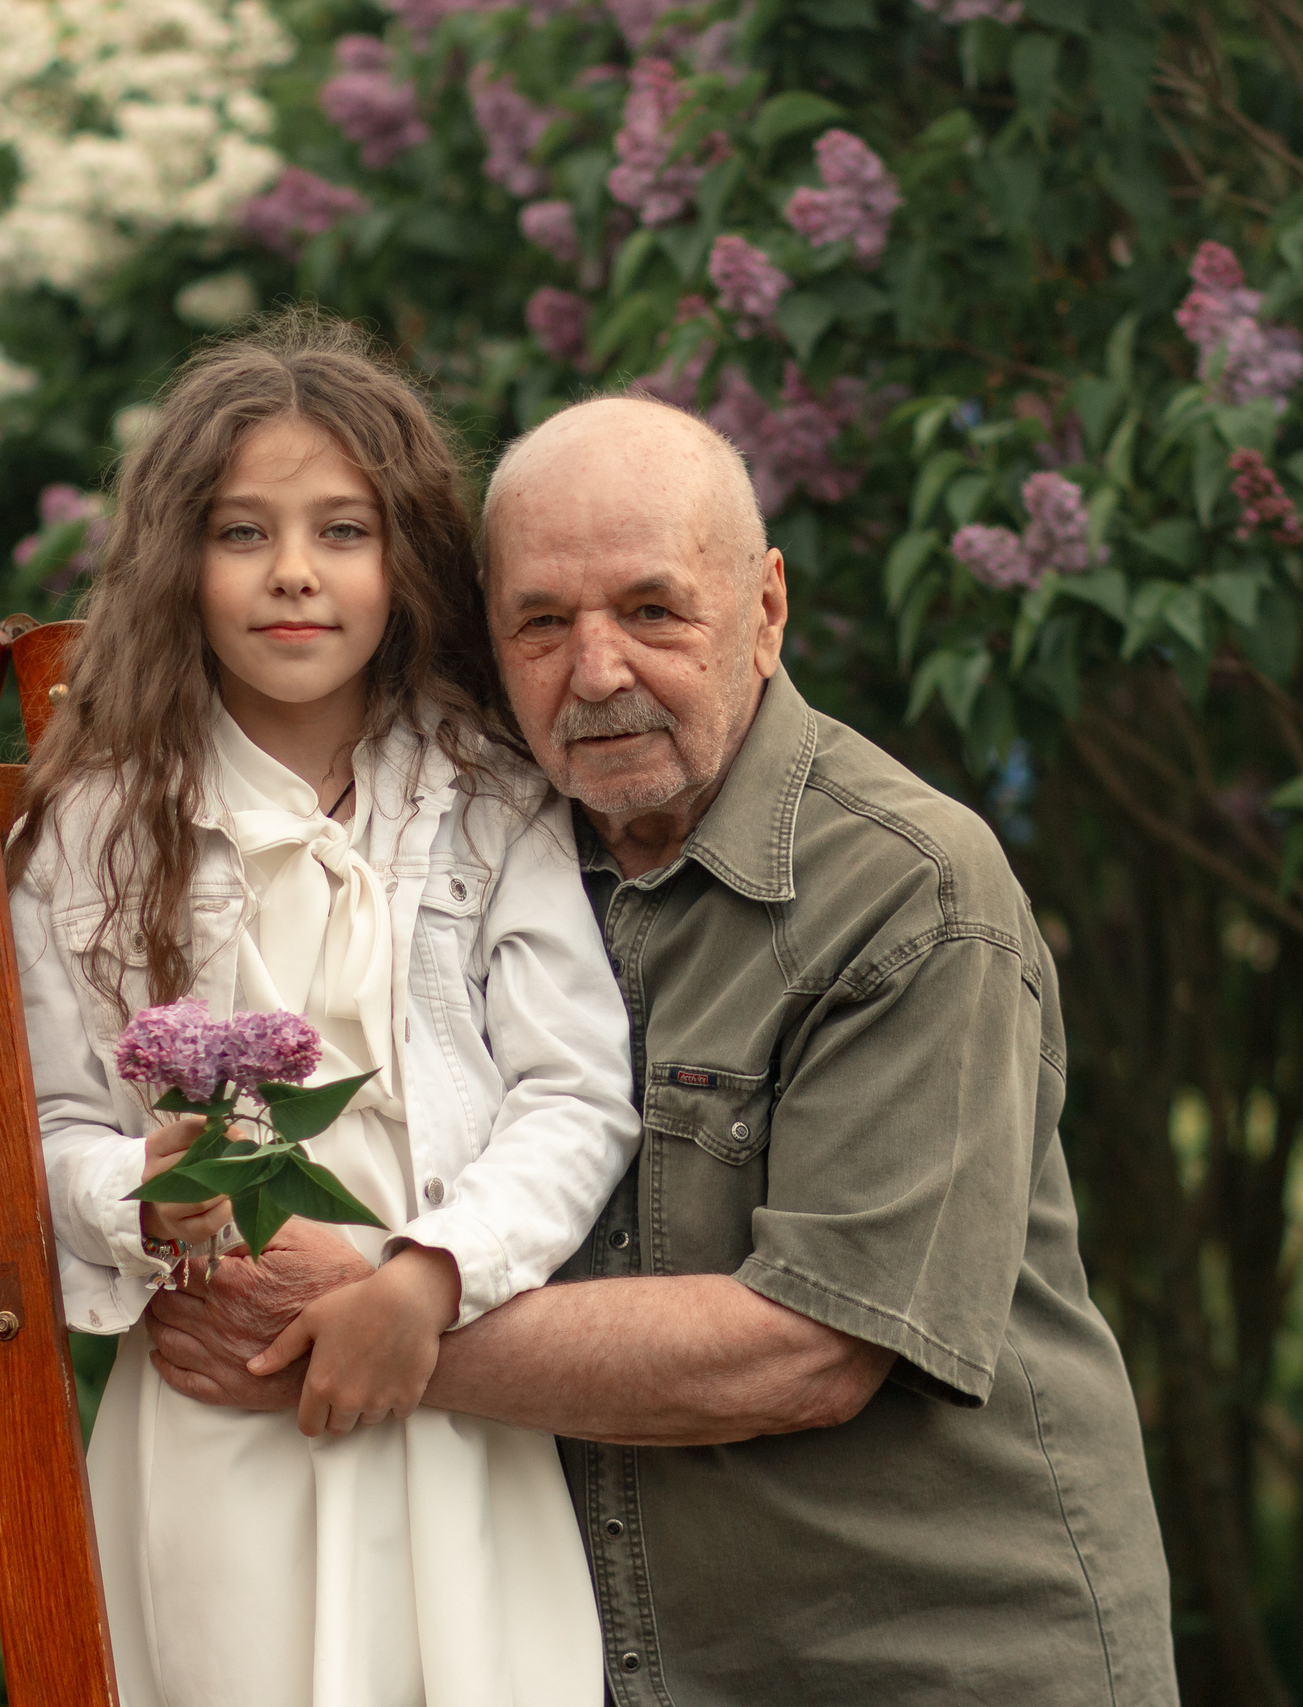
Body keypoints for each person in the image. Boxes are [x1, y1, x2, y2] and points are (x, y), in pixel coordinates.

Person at [143, 395, 1181, 1706]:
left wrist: (368, 1328)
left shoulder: (909, 892)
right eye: (540, 623)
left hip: (930, 1667)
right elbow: (113, 1141)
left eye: (652, 611)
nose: (597, 673)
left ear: (766, 607)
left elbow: (808, 1350)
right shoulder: (465, 873)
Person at [0, 316, 640, 1707]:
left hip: (449, 1397)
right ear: (179, 558)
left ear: (406, 560)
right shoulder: (93, 829)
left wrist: (427, 1281)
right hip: (215, 1404)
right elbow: (47, 1126)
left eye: (342, 531)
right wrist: (146, 1187)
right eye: (243, 532)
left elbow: (573, 1091)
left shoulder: (488, 799)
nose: (293, 573)